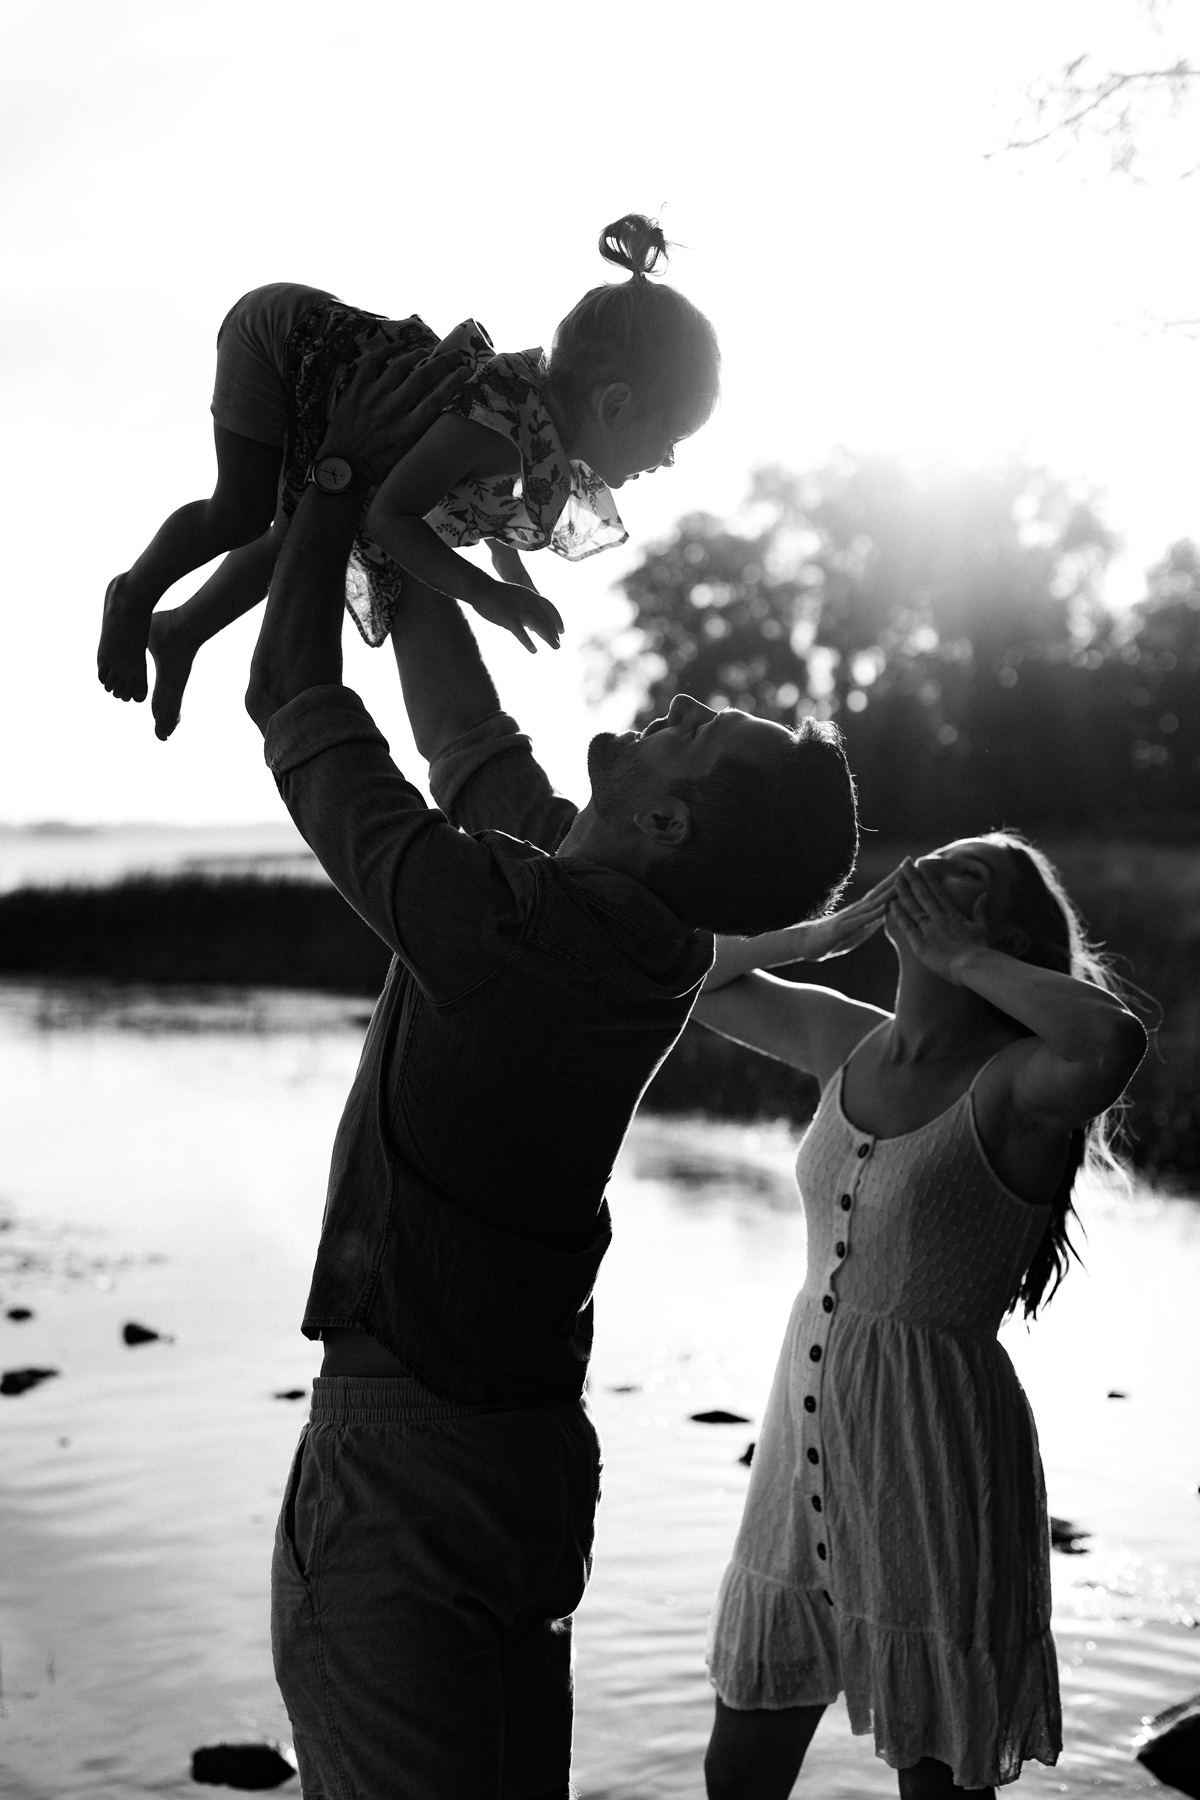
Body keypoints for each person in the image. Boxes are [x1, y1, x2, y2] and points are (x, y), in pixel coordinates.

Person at [241, 339, 859, 1800]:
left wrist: (333, 485)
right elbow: (465, 744)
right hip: (524, 1465)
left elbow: (292, 702)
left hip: (407, 1470)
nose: (668, 708)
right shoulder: (631, 936)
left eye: (691, 734)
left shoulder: (504, 922)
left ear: (662, 825)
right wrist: (404, 534)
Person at [694, 838, 1148, 1798]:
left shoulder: (1019, 1085)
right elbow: (683, 976)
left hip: (934, 1458)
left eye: (963, 881)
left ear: (1008, 939)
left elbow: (1109, 1043)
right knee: (737, 1775)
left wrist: (968, 964)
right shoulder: (842, 1040)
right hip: (800, 1449)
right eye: (928, 865)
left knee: (939, 1786)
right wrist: (821, 934)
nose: (927, 876)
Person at [98, 212, 719, 738]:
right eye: (670, 440)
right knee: (241, 511)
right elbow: (389, 518)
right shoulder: (497, 416)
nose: (665, 460)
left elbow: (486, 499)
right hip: (280, 341)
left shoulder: (537, 422)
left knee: (294, 535)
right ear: (616, 406)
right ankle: (133, 592)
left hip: (330, 377)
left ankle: (179, 633)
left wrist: (511, 569)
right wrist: (485, 595)